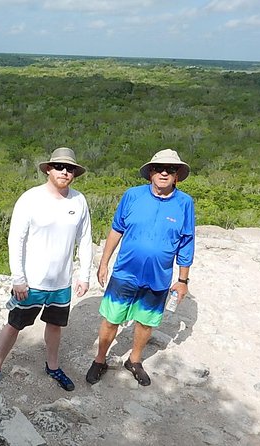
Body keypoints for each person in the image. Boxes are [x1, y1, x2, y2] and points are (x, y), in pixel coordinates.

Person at [0, 147, 93, 394]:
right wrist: (18, 278)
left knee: (55, 326)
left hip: (61, 282)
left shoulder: (79, 200)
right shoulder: (30, 199)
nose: (65, 171)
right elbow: (16, 240)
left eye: (70, 168)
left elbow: (85, 240)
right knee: (14, 324)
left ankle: (53, 366)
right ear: (48, 169)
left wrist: (84, 275)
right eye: (60, 167)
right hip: (31, 282)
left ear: (75, 173)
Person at [85, 149, 195, 387]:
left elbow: (187, 242)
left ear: (177, 175)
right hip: (125, 271)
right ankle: (100, 358)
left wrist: (183, 281)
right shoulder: (132, 196)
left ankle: (134, 360)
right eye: (159, 168)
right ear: (150, 173)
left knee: (146, 321)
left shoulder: (185, 203)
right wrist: (104, 262)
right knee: (111, 318)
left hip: (159, 276)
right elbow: (117, 229)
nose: (164, 173)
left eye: (171, 169)